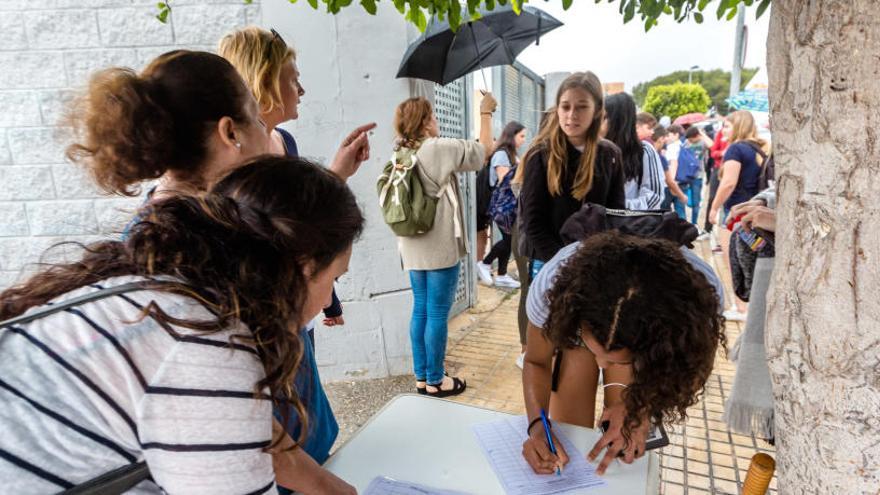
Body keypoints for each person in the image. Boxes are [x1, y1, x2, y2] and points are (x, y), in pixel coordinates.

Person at [65, 50, 359, 493]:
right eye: (259, 122)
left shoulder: (205, 227)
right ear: (230, 133)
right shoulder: (183, 274)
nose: (269, 133)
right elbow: (225, 412)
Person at [0, 157, 363, 493]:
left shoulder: (163, 289)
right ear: (303, 269)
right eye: (334, 277)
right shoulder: (207, 346)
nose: (329, 294)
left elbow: (259, 440)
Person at [218, 27, 374, 475]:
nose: (301, 89)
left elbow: (303, 231)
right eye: (292, 78)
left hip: (296, 310)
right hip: (262, 323)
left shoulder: (284, 143)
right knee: (280, 427)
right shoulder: (227, 167)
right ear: (263, 79)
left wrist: (336, 175)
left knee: (312, 425)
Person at [520, 232, 726, 476]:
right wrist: (537, 428)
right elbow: (536, 361)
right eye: (597, 351)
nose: (600, 365)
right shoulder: (553, 287)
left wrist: (642, 407)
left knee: (627, 435)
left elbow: (694, 371)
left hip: (656, 320)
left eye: (616, 358)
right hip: (583, 311)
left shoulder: (698, 302)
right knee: (571, 432)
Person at [393, 92, 497, 397]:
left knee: (421, 309)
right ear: (425, 123)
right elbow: (483, 151)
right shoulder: (437, 148)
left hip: (411, 244)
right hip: (438, 246)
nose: (436, 121)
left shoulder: (399, 151)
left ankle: (423, 377)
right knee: (437, 312)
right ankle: (437, 381)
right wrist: (485, 113)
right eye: (433, 117)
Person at [516, 71, 626, 280]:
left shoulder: (611, 155)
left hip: (595, 263)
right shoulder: (540, 155)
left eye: (582, 106)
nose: (572, 114)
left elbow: (616, 214)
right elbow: (533, 222)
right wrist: (565, 263)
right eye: (565, 106)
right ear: (557, 109)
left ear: (597, 110)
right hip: (549, 262)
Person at [708, 110, 769, 321]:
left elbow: (729, 182)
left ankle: (741, 306)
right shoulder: (759, 150)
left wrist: (714, 207)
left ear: (738, 126)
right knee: (751, 259)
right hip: (755, 212)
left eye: (727, 125)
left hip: (736, 212)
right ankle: (750, 306)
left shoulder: (735, 149)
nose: (723, 130)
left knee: (732, 257)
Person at [477, 121, 526, 289]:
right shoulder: (501, 154)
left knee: (509, 239)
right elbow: (506, 182)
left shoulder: (511, 154)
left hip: (509, 207)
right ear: (512, 136)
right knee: (510, 239)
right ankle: (485, 263)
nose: (523, 140)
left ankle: (502, 274)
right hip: (502, 206)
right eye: (521, 136)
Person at [600, 93, 664, 210]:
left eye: (603, 118)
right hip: (599, 225)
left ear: (618, 122)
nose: (598, 124)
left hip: (632, 225)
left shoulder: (644, 151)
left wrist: (619, 206)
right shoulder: (595, 152)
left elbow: (654, 197)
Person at [674, 125, 713, 229]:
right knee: (682, 201)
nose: (690, 141)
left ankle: (694, 224)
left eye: (692, 139)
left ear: (697, 136)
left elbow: (711, 145)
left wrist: (703, 134)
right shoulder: (686, 143)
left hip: (698, 176)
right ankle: (684, 225)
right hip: (685, 176)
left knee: (696, 202)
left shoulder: (703, 142)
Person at [651, 125, 688, 211]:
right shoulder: (660, 157)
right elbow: (670, 181)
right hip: (661, 193)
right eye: (665, 137)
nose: (666, 140)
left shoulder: (646, 152)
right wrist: (682, 196)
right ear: (660, 138)